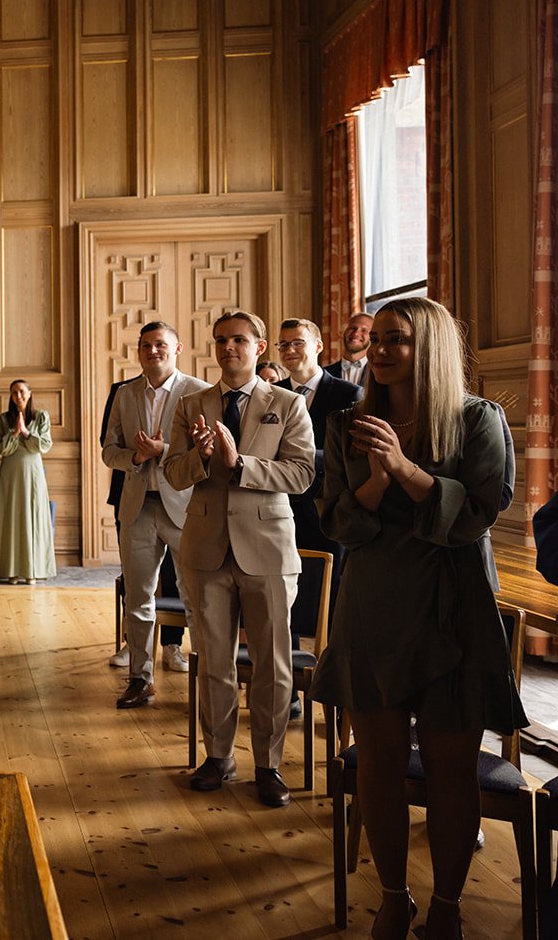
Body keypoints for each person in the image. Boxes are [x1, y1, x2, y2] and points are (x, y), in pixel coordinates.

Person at [310, 297, 526, 939]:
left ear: (429, 347)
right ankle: (394, 896)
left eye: (396, 340)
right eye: (375, 338)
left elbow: (480, 514)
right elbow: (338, 521)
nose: (378, 350)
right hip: (374, 606)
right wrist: (376, 482)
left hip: (451, 605)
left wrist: (405, 470)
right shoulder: (350, 421)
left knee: (450, 766)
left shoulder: (477, 420)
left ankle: (448, 906)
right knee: (376, 760)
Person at [163, 311, 314, 809]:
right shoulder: (192, 404)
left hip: (267, 549)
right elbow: (174, 472)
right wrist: (204, 459)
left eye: (240, 340)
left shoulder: (288, 404)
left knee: (272, 665)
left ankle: (268, 765)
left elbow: (301, 474)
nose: (229, 347)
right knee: (214, 663)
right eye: (222, 340)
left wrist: (239, 465)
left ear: (260, 346)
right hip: (206, 549)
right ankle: (218, 757)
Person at [102, 322, 209, 709]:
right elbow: (108, 449)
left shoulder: (198, 392)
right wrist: (134, 457)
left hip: (185, 507)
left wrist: (161, 451)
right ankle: (140, 679)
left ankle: (204, 681)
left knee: (196, 597)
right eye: (146, 345)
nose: (153, 351)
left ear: (177, 347)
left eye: (160, 344)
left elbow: (207, 454)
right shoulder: (124, 393)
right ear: (139, 351)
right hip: (137, 506)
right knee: (138, 596)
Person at [274, 319, 361, 658]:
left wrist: (300, 458)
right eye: (283, 345)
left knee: (330, 595)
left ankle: (329, 672)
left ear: (319, 346)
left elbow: (351, 456)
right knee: (282, 596)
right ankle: (289, 681)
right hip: (279, 508)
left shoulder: (347, 394)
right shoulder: (274, 393)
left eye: (297, 343)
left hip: (326, 510)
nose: (290, 350)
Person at [0, 380, 56, 584]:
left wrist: (27, 432)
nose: (18, 395)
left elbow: (44, 445)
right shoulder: (3, 419)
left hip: (33, 474)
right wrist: (15, 433)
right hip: (10, 474)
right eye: (14, 392)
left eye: (21, 391)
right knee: (11, 519)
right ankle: (12, 571)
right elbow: (1, 449)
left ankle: (31, 571)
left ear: (29, 393)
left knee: (33, 518)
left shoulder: (41, 417)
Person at [325, 311, 374, 386]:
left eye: (364, 330)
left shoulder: (380, 372)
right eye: (353, 328)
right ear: (344, 332)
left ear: (373, 337)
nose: (356, 333)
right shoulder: (325, 373)